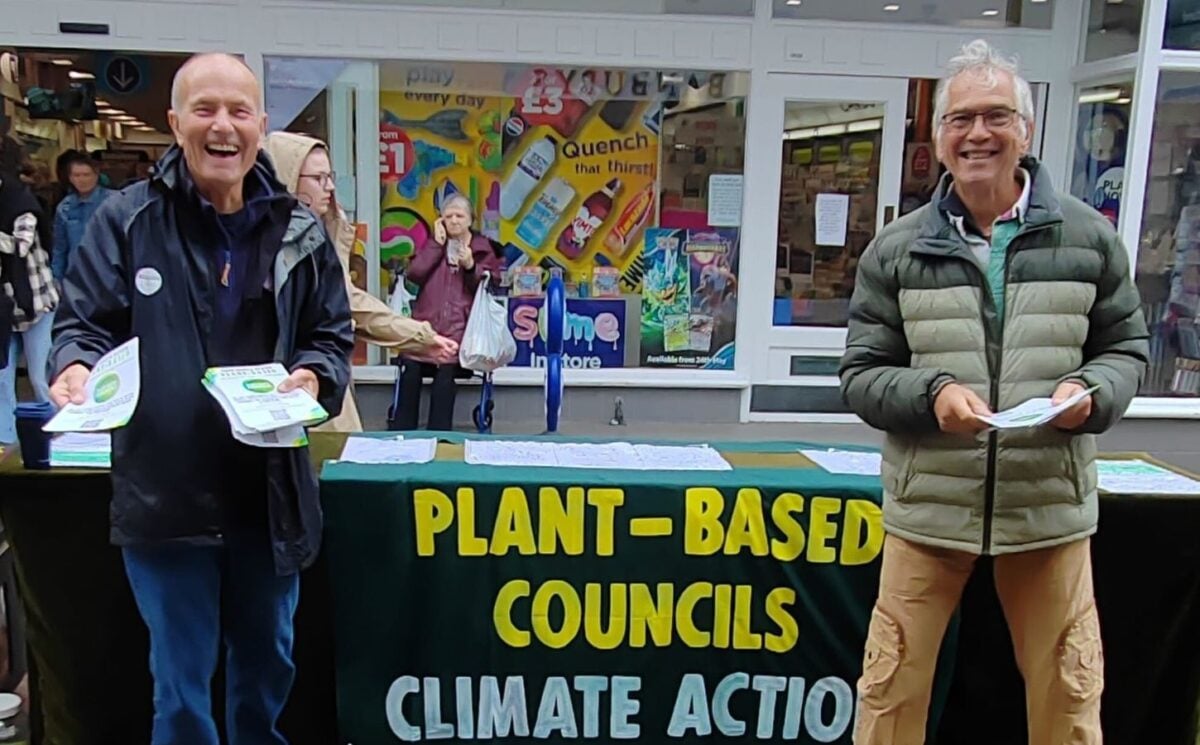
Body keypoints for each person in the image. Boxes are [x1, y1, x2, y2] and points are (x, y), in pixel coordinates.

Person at [840, 39, 1149, 745]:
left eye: (996, 116)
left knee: (1070, 696)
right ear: (940, 137)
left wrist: (1092, 391)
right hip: (929, 509)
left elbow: (1127, 349)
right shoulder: (897, 248)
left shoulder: (1088, 238)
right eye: (960, 119)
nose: (978, 133)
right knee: (889, 696)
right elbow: (861, 371)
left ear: (1026, 131)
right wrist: (933, 394)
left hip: (1047, 505)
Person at [48, 53, 353, 743]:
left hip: (269, 498)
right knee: (181, 692)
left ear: (261, 125)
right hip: (165, 496)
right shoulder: (127, 221)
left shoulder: (300, 231)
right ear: (174, 122)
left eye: (238, 111)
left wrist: (312, 376)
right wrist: (73, 365)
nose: (223, 126)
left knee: (266, 672)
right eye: (205, 109)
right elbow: (82, 326)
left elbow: (330, 336)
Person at [262, 131, 459, 431]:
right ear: (289, 179)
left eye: (331, 176)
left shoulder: (321, 235)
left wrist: (420, 337)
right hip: (274, 393)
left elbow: (348, 302)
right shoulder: (263, 241)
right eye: (318, 178)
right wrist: (419, 337)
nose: (329, 187)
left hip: (318, 383)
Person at [396, 194, 500, 431]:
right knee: (410, 371)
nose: (453, 221)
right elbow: (415, 274)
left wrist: (471, 266)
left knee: (445, 375)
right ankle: (401, 433)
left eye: (459, 216)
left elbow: (489, 287)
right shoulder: (433, 243)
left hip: (461, 334)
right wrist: (435, 244)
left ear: (470, 219)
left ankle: (439, 434)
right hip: (427, 331)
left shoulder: (482, 248)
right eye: (448, 216)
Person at [0, 164, 56, 444]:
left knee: (39, 378)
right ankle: (7, 443)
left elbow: (19, 246)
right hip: (3, 311)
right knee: (1, 379)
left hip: (36, 305)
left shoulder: (23, 207)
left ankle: (60, 434)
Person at [51, 152, 114, 281]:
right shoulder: (64, 208)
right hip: (77, 275)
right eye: (76, 175)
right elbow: (60, 248)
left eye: (86, 175)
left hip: (109, 273)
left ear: (96, 175)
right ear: (70, 178)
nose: (82, 180)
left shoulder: (115, 202)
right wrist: (56, 279)